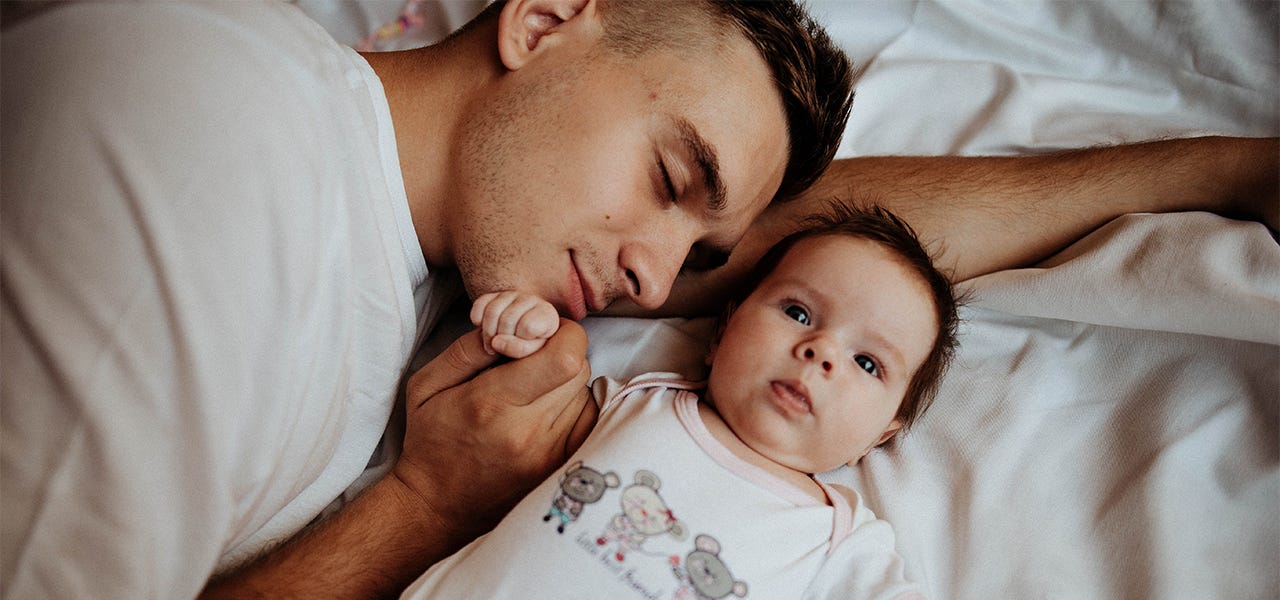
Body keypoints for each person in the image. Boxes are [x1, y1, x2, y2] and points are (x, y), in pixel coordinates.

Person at [2, 0, 1275, 598]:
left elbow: (840, 267)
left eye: (701, 254)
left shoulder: (468, 266)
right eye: (674, 178)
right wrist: (425, 505)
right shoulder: (200, 129)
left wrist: (1227, 171)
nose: (658, 280)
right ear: (546, 18)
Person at [403, 205, 955, 598]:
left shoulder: (839, 539)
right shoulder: (637, 403)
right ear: (722, 333)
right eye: (798, 313)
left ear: (885, 430)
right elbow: (516, 426)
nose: (821, 351)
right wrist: (528, 331)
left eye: (867, 363)